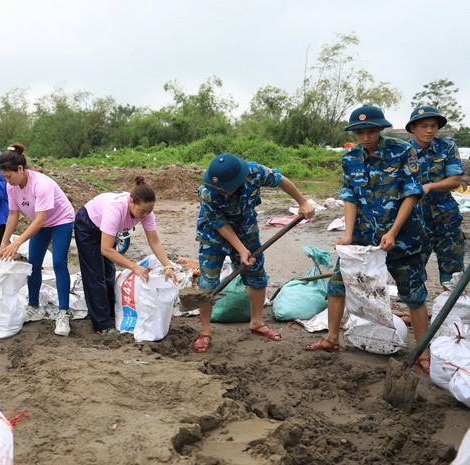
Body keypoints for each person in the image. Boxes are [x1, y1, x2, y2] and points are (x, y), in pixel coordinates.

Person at [304, 105, 432, 373]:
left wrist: (393, 232)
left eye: (371, 131)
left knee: (414, 294)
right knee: (338, 285)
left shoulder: (402, 152)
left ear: (380, 129)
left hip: (403, 236)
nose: (365, 137)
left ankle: (423, 353)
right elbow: (349, 196)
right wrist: (349, 234)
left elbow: (411, 194)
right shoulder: (350, 158)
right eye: (360, 132)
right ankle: (331, 338)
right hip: (364, 236)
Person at [194, 153, 315, 353]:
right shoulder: (207, 192)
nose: (222, 193)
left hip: (246, 229)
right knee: (208, 283)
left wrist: (302, 202)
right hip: (213, 234)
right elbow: (219, 223)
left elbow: (281, 180)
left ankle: (257, 322)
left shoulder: (254, 172)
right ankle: (205, 331)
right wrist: (241, 249)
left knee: (257, 276)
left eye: (225, 191)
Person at [74, 176, 178, 336]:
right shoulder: (115, 209)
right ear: (131, 202)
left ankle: (108, 311)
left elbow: (154, 241)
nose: (144, 215)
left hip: (108, 228)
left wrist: (167, 266)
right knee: (95, 275)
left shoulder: (146, 212)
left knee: (109, 272)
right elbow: (106, 249)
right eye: (142, 211)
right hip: (89, 224)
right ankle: (102, 325)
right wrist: (134, 266)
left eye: (149, 211)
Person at [0, 143, 76, 336]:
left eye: (9, 176)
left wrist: (17, 243)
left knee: (58, 262)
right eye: (4, 177)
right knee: (33, 264)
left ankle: (64, 312)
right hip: (41, 222)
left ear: (21, 169)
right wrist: (4, 242)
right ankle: (34, 307)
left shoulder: (41, 184)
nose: (8, 181)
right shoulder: (12, 187)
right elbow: (13, 214)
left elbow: (40, 219)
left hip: (61, 220)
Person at [406, 105, 465, 286]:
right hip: (415, 219)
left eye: (433, 125)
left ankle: (452, 312)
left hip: (446, 218)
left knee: (453, 274)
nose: (430, 130)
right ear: (413, 128)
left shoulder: (447, 147)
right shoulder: (403, 151)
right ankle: (416, 313)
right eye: (424, 126)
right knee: (412, 275)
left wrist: (430, 186)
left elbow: (455, 180)